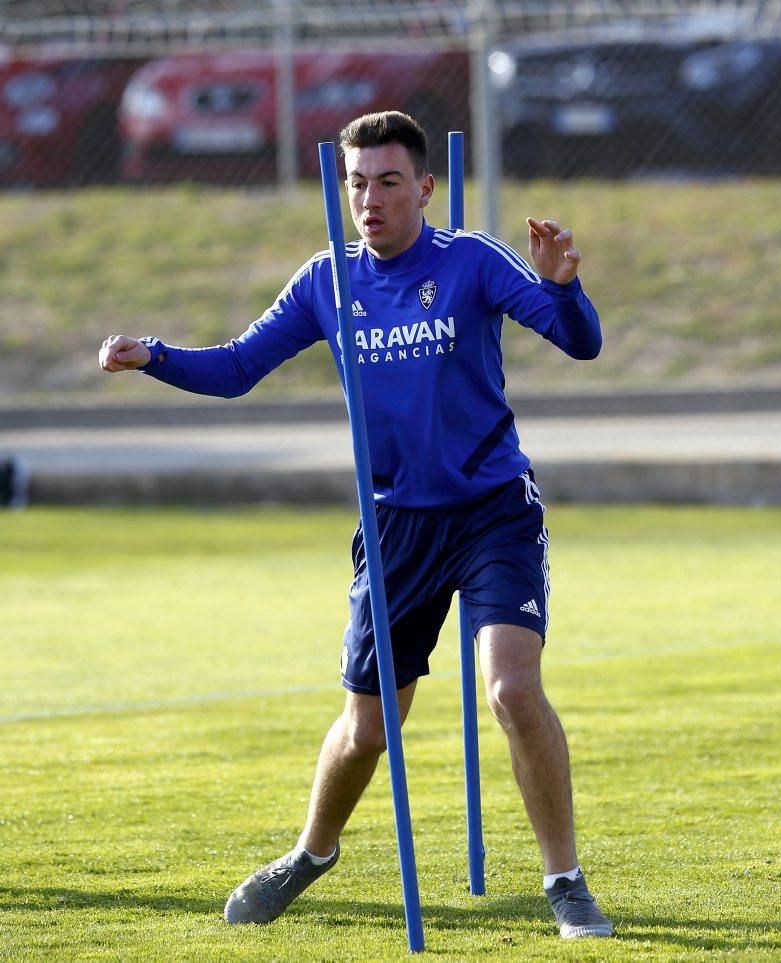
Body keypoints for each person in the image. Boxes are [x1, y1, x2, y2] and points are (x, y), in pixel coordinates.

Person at [98, 110, 613, 940]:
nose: (369, 199)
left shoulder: (471, 259)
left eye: (388, 181)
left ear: (425, 187)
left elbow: (579, 342)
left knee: (513, 689)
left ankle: (566, 880)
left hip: (491, 510)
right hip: (393, 527)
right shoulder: (324, 281)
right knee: (369, 729)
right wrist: (153, 354)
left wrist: (561, 285)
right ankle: (311, 853)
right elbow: (237, 369)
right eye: (356, 183)